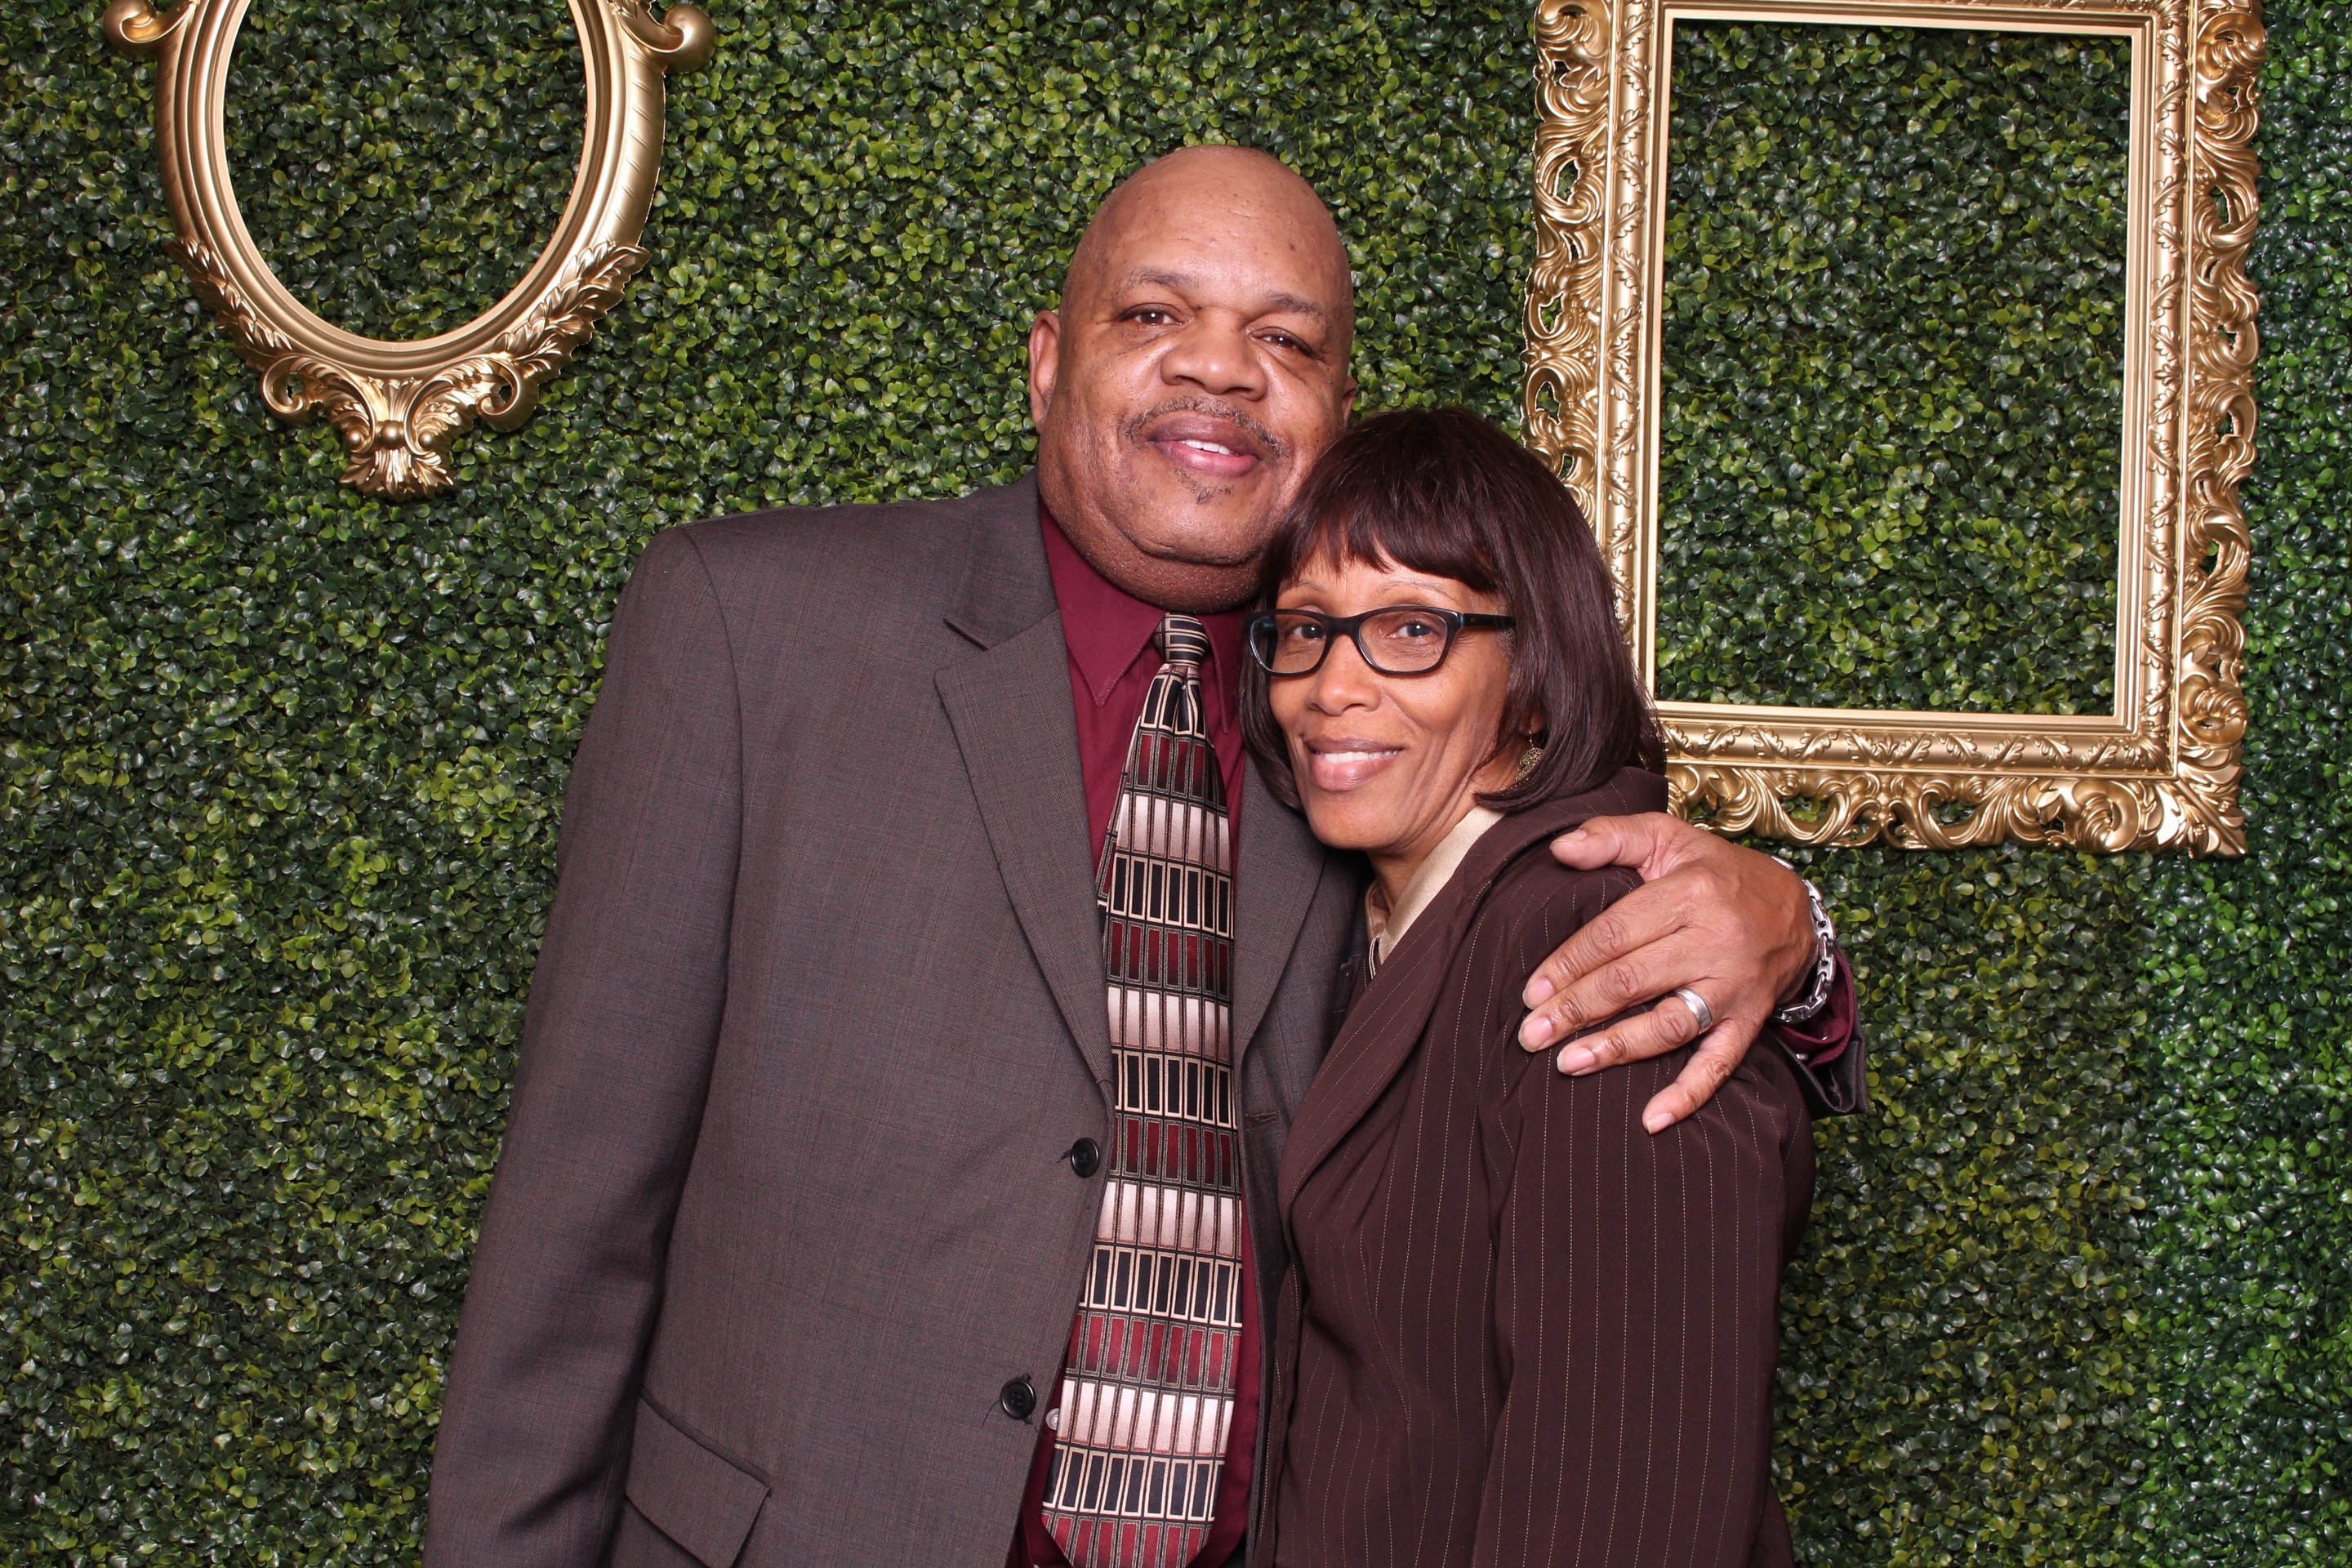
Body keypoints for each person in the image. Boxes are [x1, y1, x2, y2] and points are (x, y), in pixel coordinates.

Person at [421, 145, 1856, 1568]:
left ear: (1338, 414)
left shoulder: (1377, 734)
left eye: (1285, 341)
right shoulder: (751, 628)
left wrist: (1792, 938)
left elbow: (1577, 889)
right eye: (1155, 314)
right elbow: (575, 1214)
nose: (1220, 368)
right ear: (1049, 362)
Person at [1243, 408, 1815, 1568]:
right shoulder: (1386, 920)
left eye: (1412, 628)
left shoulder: (1608, 953)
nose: (1331, 687)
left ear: (1537, 681)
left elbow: (1629, 1502)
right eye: (1307, 629)